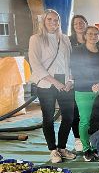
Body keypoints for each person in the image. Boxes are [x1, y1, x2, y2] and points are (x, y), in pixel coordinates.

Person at [29, 10, 77, 164]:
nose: (53, 23)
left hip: (65, 82)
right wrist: (54, 82)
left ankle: (62, 147)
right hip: (46, 82)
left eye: (56, 20)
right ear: (43, 21)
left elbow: (70, 62)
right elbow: (35, 64)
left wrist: (71, 79)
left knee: (69, 116)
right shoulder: (36, 39)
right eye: (49, 19)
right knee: (48, 117)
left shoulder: (64, 39)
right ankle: (53, 150)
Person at [70, 25, 99, 162]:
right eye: (90, 34)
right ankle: (87, 149)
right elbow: (76, 71)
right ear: (85, 35)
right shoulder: (77, 51)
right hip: (83, 90)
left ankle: (98, 146)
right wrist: (90, 85)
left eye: (96, 34)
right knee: (86, 120)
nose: (93, 36)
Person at [69, 14, 89, 152]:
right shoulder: (68, 41)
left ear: (86, 23)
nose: (79, 25)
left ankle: (90, 136)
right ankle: (77, 139)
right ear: (72, 26)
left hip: (91, 82)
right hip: (75, 81)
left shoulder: (94, 40)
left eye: (81, 22)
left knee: (90, 111)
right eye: (76, 23)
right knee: (75, 110)